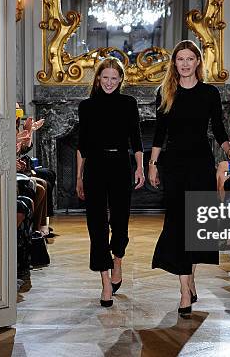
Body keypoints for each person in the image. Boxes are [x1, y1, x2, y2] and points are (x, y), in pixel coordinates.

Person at [147, 40, 230, 317]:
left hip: (200, 163)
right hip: (174, 165)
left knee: (196, 225)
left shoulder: (210, 93)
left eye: (190, 59)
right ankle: (184, 290)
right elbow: (160, 134)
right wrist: (153, 164)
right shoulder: (166, 92)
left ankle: (190, 277)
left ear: (198, 62)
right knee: (177, 224)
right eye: (180, 59)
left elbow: (219, 130)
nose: (185, 64)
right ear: (174, 63)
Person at [76, 57, 144, 307]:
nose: (109, 82)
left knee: (119, 220)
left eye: (114, 78)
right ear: (97, 78)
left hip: (120, 166)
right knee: (96, 225)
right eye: (105, 77)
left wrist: (140, 167)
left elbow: (136, 140)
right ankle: (105, 281)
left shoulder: (128, 103)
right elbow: (82, 146)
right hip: (94, 166)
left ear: (121, 80)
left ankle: (118, 259)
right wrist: (78, 177)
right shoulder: (86, 106)